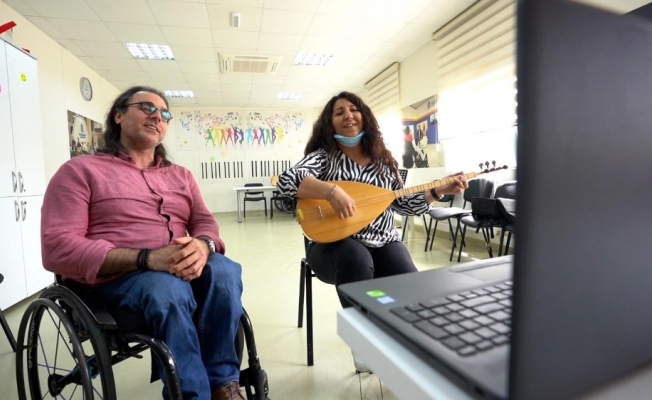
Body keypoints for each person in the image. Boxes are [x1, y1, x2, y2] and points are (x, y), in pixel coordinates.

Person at [41, 86, 245, 400]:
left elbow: (205, 222)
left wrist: (204, 245)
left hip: (178, 269)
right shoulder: (80, 171)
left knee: (225, 270)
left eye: (164, 113)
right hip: (117, 280)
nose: (157, 116)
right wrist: (146, 258)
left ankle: (222, 384)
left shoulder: (181, 176)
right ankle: (191, 395)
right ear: (118, 116)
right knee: (167, 288)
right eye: (147, 108)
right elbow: (58, 246)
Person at [276, 91, 467, 371]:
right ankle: (364, 341)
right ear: (330, 123)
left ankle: (414, 340)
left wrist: (437, 191)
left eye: (353, 109)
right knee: (355, 256)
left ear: (364, 116)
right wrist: (331, 191)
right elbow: (286, 181)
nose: (348, 115)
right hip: (333, 248)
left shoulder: (384, 161)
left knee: (407, 278)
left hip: (383, 243)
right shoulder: (324, 158)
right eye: (339, 112)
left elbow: (402, 205)